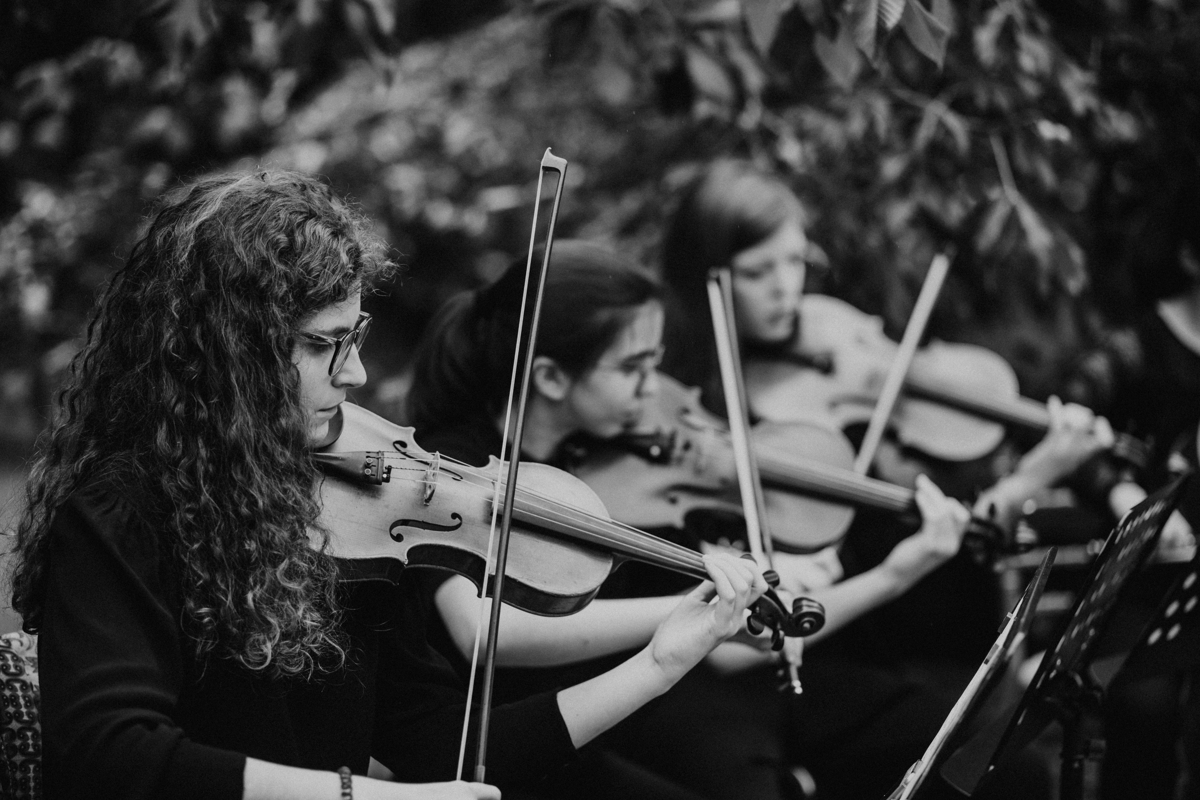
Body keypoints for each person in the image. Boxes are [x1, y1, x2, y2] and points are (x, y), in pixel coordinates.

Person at [6, 171, 770, 800]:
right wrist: (363, 798)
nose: (358, 375)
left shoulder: (355, 520)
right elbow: (116, 755)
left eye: (357, 338)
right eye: (321, 345)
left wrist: (661, 663)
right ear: (225, 350)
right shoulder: (120, 511)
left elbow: (443, 745)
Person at [405, 239, 986, 800]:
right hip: (513, 732)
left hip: (634, 702)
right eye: (632, 368)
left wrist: (863, 580)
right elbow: (482, 630)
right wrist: (704, 607)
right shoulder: (454, 460)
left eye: (655, 363)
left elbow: (727, 644)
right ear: (552, 378)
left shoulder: (617, 464)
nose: (653, 388)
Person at [656, 159, 1121, 799]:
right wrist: (1016, 489)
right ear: (701, 277)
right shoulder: (695, 409)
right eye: (758, 273)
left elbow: (910, 532)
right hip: (810, 654)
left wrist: (1090, 472)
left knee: (1005, 761)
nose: (786, 289)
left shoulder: (832, 338)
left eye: (795, 262)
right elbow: (856, 560)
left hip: (896, 625)